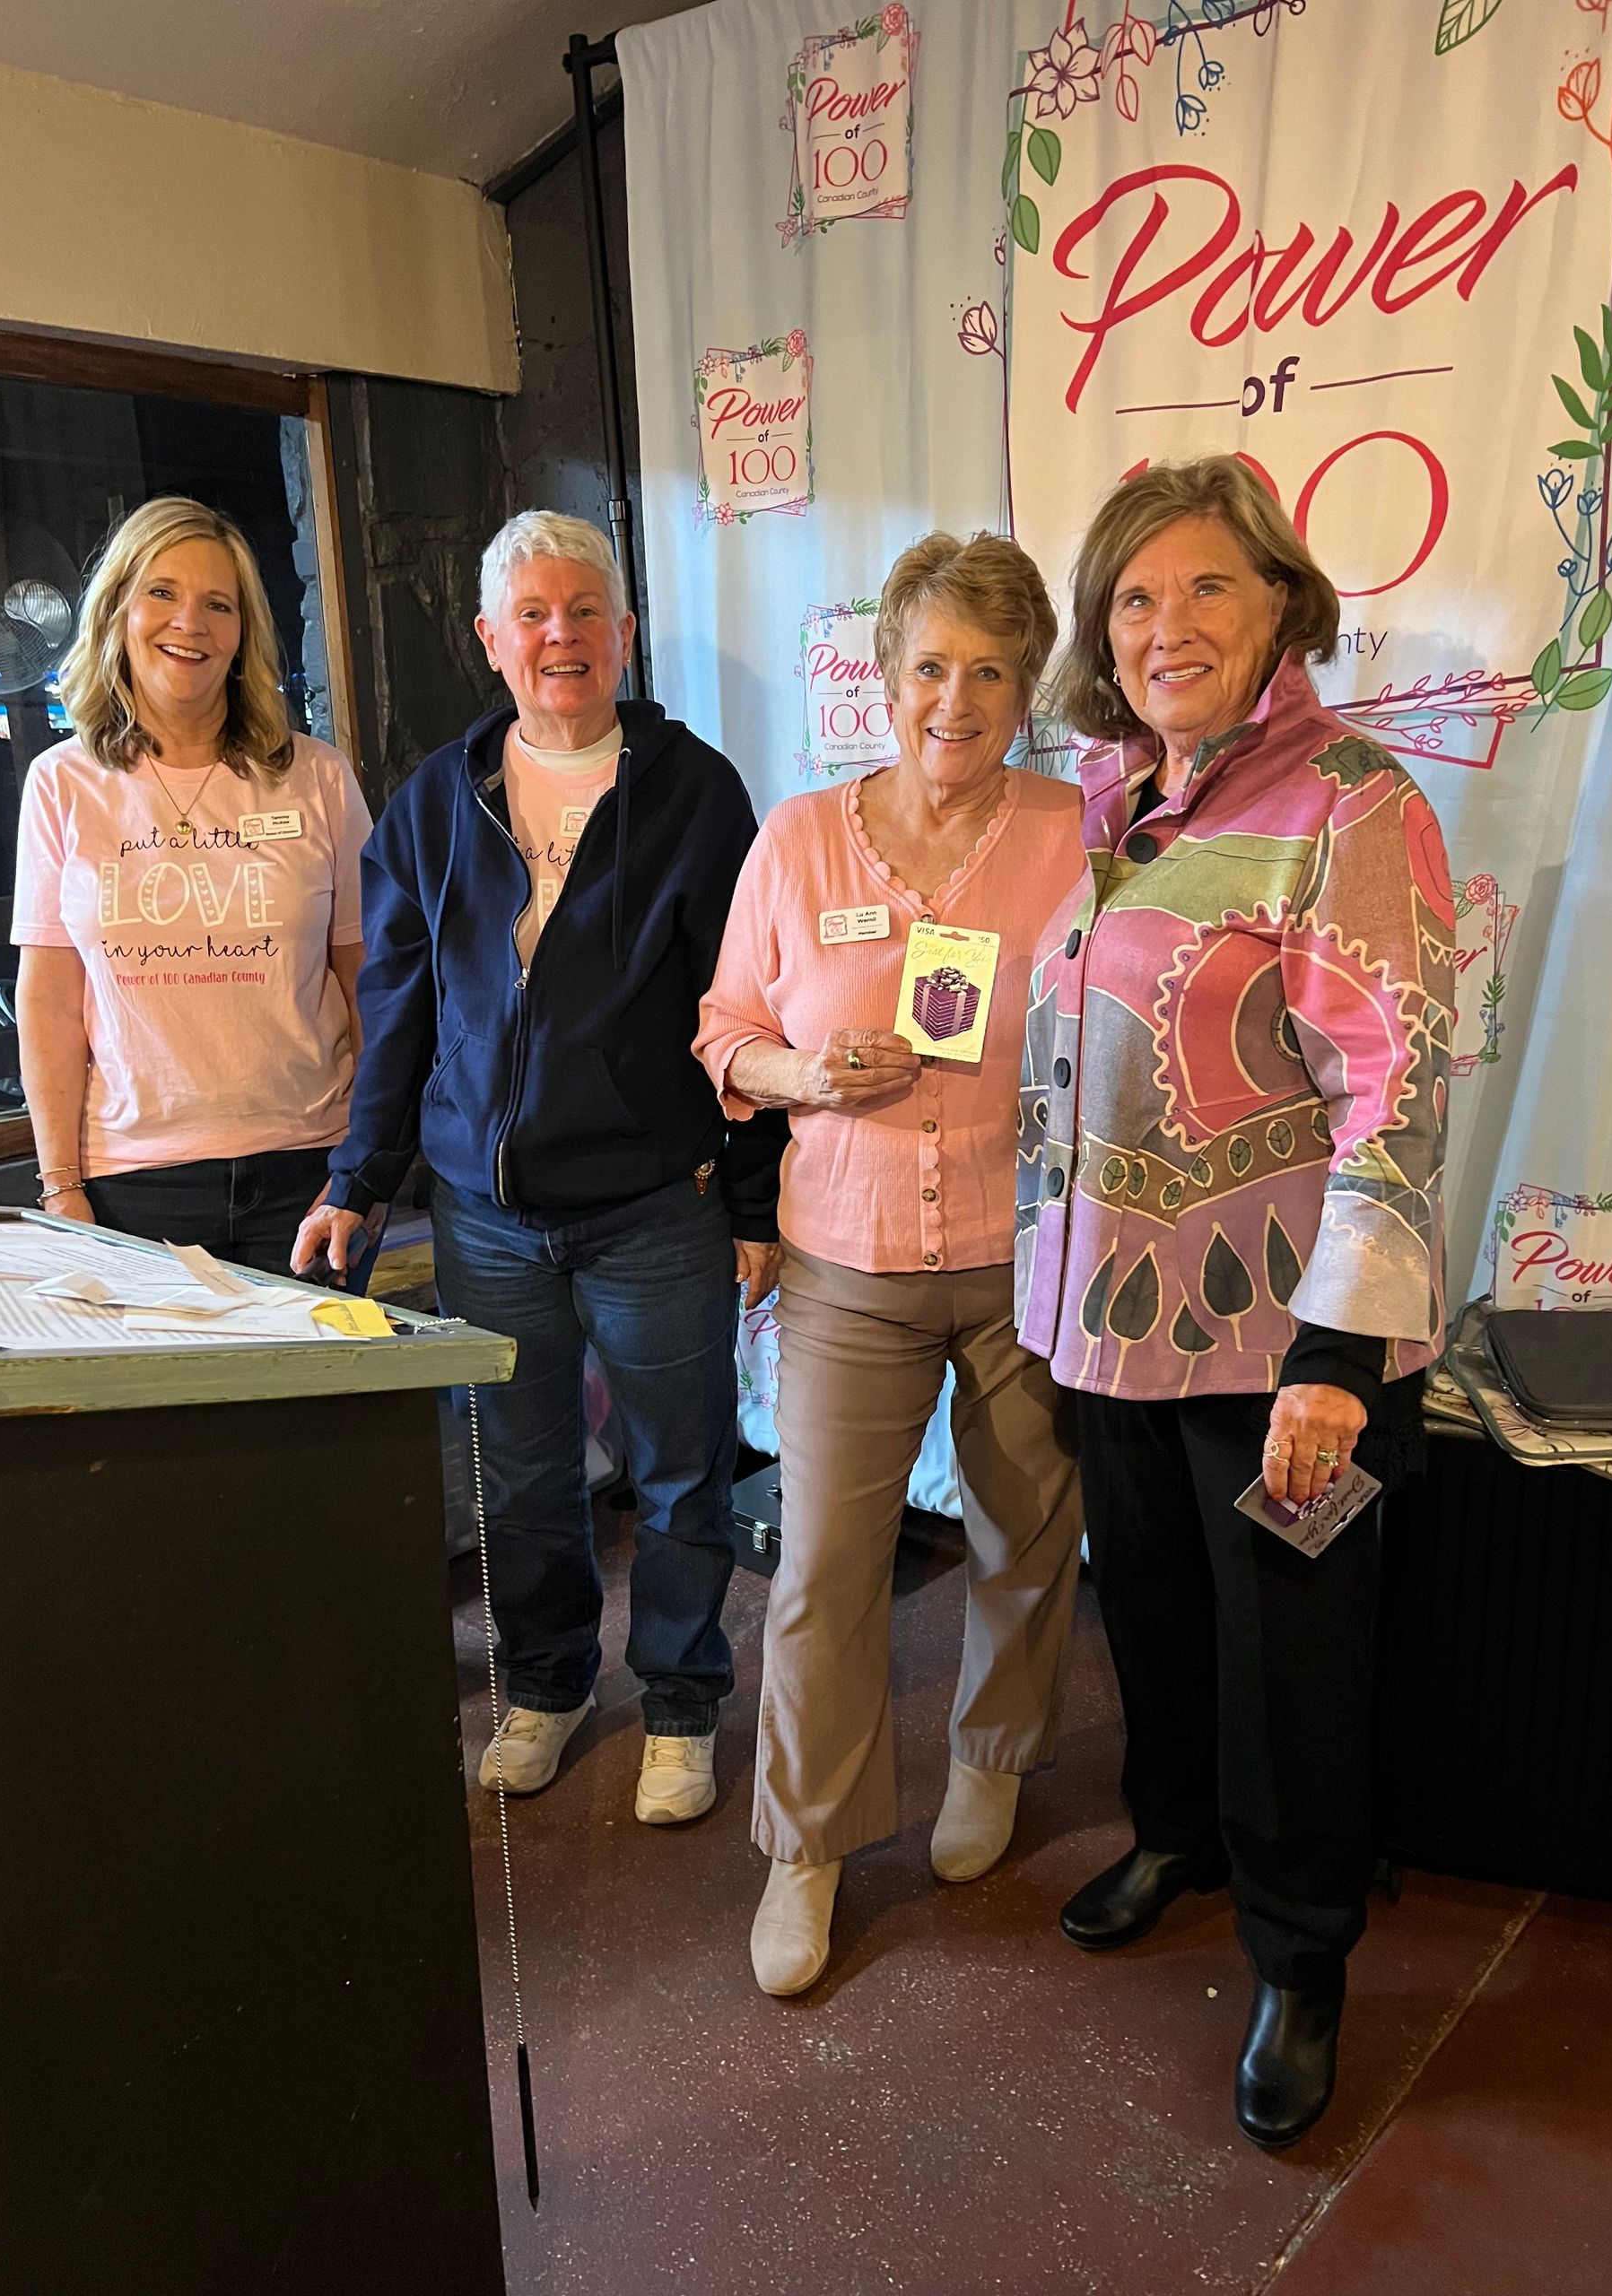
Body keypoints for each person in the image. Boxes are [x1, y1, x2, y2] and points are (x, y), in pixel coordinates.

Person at [1018, 456, 1453, 2148]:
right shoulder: (1115, 801)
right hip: (1113, 1324)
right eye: (1133, 595)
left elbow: (1391, 1087)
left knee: (1295, 1655)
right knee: (1156, 1613)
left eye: (1207, 586)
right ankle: (1178, 1833)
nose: (1165, 623)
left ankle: (1301, 1954)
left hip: (1293, 1355)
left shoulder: (1354, 802)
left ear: (1284, 604)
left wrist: (1339, 1358)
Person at [293, 510, 784, 1824]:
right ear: (490, 642)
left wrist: (753, 1201)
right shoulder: (431, 803)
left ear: (623, 633)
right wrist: (358, 1176)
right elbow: (395, 1012)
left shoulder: (695, 793)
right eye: (533, 617)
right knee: (519, 1472)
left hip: (653, 1207)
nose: (559, 637)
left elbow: (741, 1010)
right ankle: (549, 1687)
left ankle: (682, 1701)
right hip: (486, 1219)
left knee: (684, 1469)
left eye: (584, 613)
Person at [695, 532, 1087, 1997]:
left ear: (1026, 687)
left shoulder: (1077, 828)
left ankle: (991, 1755)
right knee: (823, 1568)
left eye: (992, 671)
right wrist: (801, 1068)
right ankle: (806, 1848)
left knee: (1027, 1528)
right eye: (932, 665)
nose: (957, 698)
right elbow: (725, 1024)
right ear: (884, 674)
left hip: (1026, 1250)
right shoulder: (797, 839)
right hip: (846, 1258)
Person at [13, 495, 372, 1277]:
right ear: (116, 612)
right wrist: (59, 1186)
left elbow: (366, 978)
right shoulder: (61, 784)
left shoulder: (317, 777)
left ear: (244, 634)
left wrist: (367, 1169)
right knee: (171, 1405)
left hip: (308, 1170)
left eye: (220, 604)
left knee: (315, 1403)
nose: (191, 623)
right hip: (129, 1186)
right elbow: (47, 999)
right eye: (163, 593)